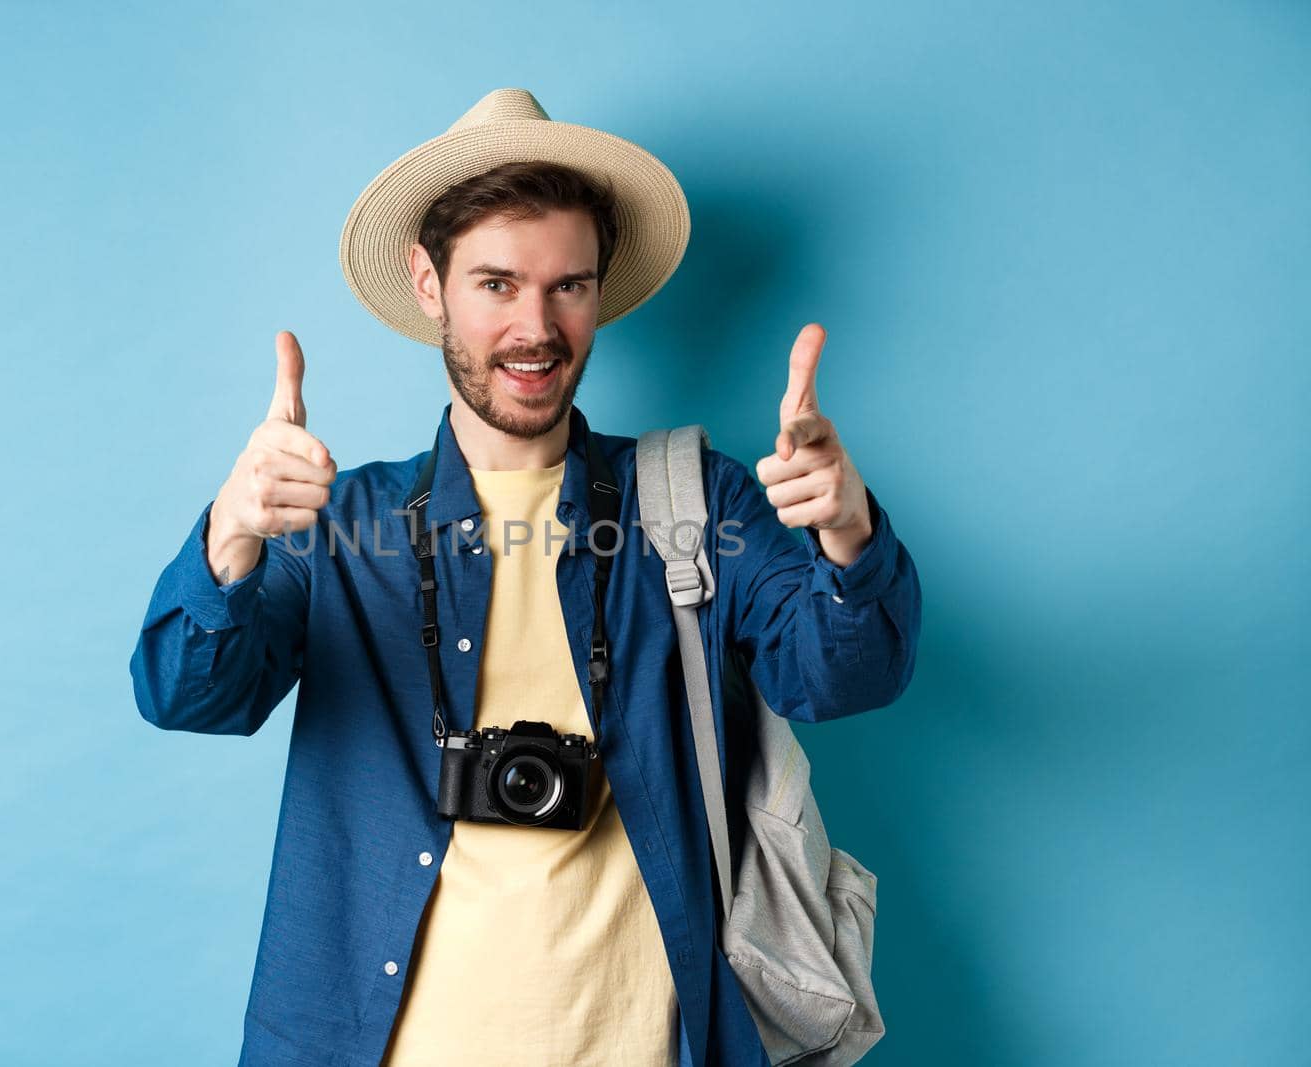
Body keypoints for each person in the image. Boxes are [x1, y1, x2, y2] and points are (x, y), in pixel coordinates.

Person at [129, 87, 922, 1067]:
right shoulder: (340, 522)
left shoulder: (691, 501)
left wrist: (845, 532)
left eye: (567, 286)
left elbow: (844, 678)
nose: (535, 329)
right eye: (497, 284)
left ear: (597, 290)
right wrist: (232, 535)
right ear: (430, 284)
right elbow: (182, 694)